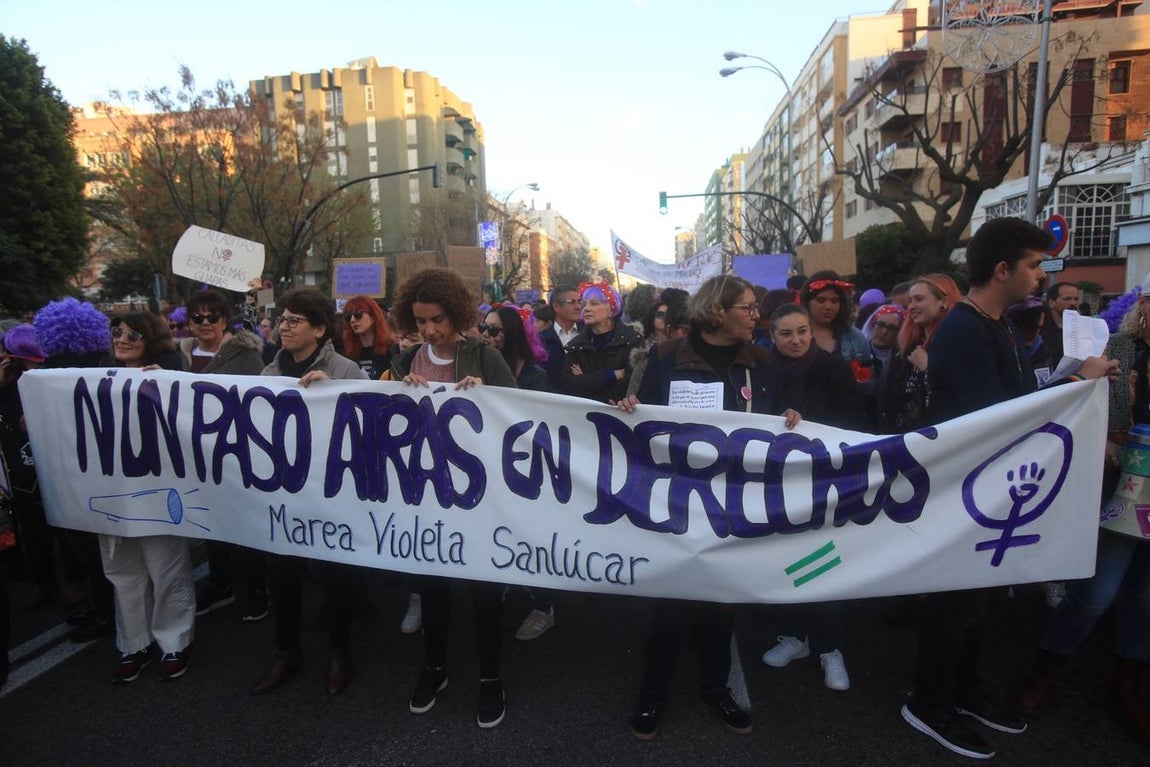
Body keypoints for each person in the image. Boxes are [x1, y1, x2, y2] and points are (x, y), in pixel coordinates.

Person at [902, 217, 1118, 760]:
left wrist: (1068, 380)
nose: (1041, 276)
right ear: (1003, 269)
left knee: (981, 600)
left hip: (993, 489)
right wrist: (1077, 383)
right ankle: (928, 702)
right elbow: (997, 418)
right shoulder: (965, 329)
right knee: (956, 604)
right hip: (966, 492)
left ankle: (965, 692)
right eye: (1033, 264)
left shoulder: (995, 323)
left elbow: (1018, 397)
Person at [617, 274, 798, 741]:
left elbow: (776, 419)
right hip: (677, 499)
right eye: (747, 307)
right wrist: (629, 406)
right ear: (718, 311)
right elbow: (635, 420)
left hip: (733, 503)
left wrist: (791, 420)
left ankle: (716, 689)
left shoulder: (760, 362)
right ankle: (652, 694)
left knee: (721, 604)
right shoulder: (663, 359)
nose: (755, 316)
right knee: (671, 606)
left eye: (756, 307)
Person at [1012, 279, 1150, 740]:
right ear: (1142, 306)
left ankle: (1125, 682)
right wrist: (1108, 442)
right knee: (1097, 591)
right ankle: (1046, 668)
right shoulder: (1117, 349)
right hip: (1118, 487)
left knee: (1146, 596)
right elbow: (1078, 405)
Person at [390, 268, 517, 729]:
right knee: (434, 590)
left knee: (484, 593)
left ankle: (489, 677)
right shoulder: (404, 361)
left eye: (438, 319)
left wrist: (490, 398)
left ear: (457, 315)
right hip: (423, 495)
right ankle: (435, 668)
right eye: (421, 321)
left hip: (477, 499)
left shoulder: (483, 356)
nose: (429, 330)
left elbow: (519, 413)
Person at [250, 289, 367, 697]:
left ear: (319, 329)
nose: (284, 326)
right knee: (282, 575)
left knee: (336, 576)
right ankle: (287, 652)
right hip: (284, 493)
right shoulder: (269, 373)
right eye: (282, 319)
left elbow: (372, 417)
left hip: (331, 493)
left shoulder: (346, 368)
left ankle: (339, 651)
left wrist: (333, 390)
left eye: (295, 320)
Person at [758, 303, 866, 692]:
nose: (796, 340)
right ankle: (794, 636)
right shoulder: (763, 370)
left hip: (827, 482)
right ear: (772, 337)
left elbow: (855, 422)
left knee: (827, 564)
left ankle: (830, 647)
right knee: (788, 560)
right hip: (780, 483)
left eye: (802, 331)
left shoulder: (834, 368)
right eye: (786, 333)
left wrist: (810, 425)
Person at [99, 312, 195, 683]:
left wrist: (168, 384)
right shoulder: (95, 377)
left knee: (164, 565)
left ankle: (175, 640)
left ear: (151, 339)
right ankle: (133, 643)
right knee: (121, 568)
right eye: (116, 332)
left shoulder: (170, 376)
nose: (121, 338)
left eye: (132, 333)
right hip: (108, 489)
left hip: (157, 490)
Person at [179, 290, 270, 624]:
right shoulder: (182, 356)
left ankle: (259, 587)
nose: (204, 324)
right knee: (211, 522)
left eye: (211, 317)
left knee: (246, 523)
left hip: (240, 453)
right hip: (198, 455)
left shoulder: (246, 356)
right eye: (197, 318)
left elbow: (262, 403)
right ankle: (221, 583)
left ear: (224, 319)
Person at [32, 297, 119, 642]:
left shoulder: (45, 373)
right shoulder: (102, 365)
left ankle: (105, 611)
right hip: (95, 471)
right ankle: (106, 610)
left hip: (68, 471)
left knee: (86, 548)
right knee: (102, 552)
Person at [479, 303, 558, 640]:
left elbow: (542, 424)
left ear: (510, 335)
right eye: (483, 329)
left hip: (525, 471)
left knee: (529, 535)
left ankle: (544, 605)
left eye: (494, 331)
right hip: (488, 467)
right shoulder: (476, 367)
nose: (486, 336)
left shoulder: (535, 376)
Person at [0, 325, 85, 617]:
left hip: (56, 468)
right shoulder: (7, 387)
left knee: (66, 532)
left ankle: (77, 584)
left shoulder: (52, 378)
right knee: (33, 533)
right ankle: (43, 583)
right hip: (20, 474)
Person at [876, 275, 963, 434]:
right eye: (910, 301)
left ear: (943, 301)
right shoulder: (907, 346)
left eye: (919, 299)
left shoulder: (956, 343)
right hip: (902, 441)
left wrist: (928, 369)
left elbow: (959, 397)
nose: (911, 306)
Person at [562, 280, 644, 403]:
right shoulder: (576, 345)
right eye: (584, 305)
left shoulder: (632, 340)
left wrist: (585, 378)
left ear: (612, 309)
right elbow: (570, 385)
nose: (586, 309)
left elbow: (631, 383)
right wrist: (612, 375)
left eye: (594, 304)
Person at [800, 271, 871, 367]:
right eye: (821, 300)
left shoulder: (856, 338)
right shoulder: (794, 337)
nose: (828, 306)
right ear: (807, 302)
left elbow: (867, 378)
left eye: (834, 301)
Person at [860, 304, 906, 430]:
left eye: (891, 328)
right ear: (872, 324)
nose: (884, 332)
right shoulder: (859, 353)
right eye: (880, 324)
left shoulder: (903, 360)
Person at [538, 285, 582, 391]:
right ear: (556, 306)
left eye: (579, 301)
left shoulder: (588, 335)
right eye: (571, 302)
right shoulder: (542, 339)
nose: (578, 307)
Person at [341, 296, 394, 380]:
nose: (352, 320)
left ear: (373, 316)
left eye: (358, 314)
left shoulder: (393, 351)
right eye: (348, 316)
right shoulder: (347, 354)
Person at [1041, 281, 1081, 367]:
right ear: (1052, 302)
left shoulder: (1082, 329)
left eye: (1076, 299)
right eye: (1067, 299)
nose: (1073, 303)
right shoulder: (1041, 330)